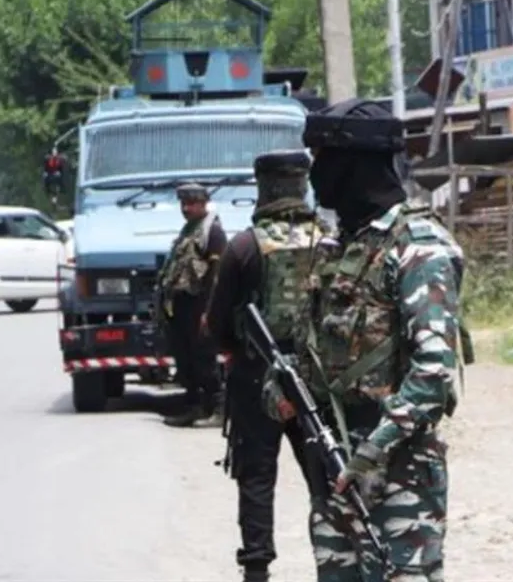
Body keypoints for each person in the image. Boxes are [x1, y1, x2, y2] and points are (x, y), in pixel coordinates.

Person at [264, 98, 473, 581]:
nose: (314, 175)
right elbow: (309, 348)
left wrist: (371, 452)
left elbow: (433, 372)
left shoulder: (419, 245)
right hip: (334, 463)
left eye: (323, 160)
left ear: (354, 165)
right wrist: (282, 391)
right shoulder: (339, 247)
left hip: (396, 470)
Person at [206, 149, 325, 582]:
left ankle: (257, 568)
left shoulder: (243, 247)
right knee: (324, 471)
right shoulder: (328, 240)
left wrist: (232, 348)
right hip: (316, 378)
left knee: (256, 474)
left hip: (256, 375)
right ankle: (336, 557)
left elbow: (217, 324)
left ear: (264, 188)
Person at [156, 182, 227, 428]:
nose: (186, 208)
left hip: (200, 307)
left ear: (203, 203)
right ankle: (194, 407)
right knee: (185, 360)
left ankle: (217, 409)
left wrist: (209, 311)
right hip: (182, 308)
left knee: (204, 360)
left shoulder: (212, 232)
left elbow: (216, 275)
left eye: (191, 203)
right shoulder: (188, 231)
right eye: (183, 204)